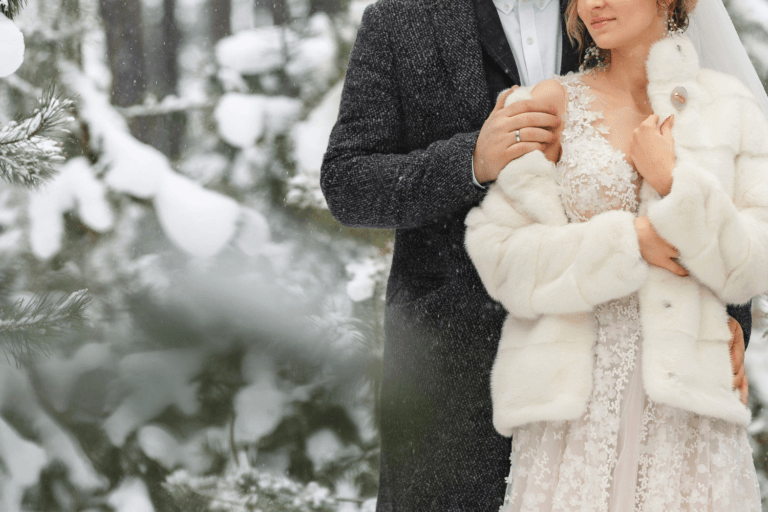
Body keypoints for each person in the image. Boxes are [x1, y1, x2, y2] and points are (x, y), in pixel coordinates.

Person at [320, 0, 750, 509]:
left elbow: (709, 157)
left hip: (613, 381)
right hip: (451, 368)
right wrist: (472, 161)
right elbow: (347, 183)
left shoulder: (610, 8)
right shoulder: (401, 20)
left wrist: (731, 313)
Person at [464, 0, 764, 509]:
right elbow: (501, 257)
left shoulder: (729, 109)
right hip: (572, 414)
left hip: (687, 405)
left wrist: (675, 183)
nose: (591, 4)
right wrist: (630, 242)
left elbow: (755, 263)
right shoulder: (551, 103)